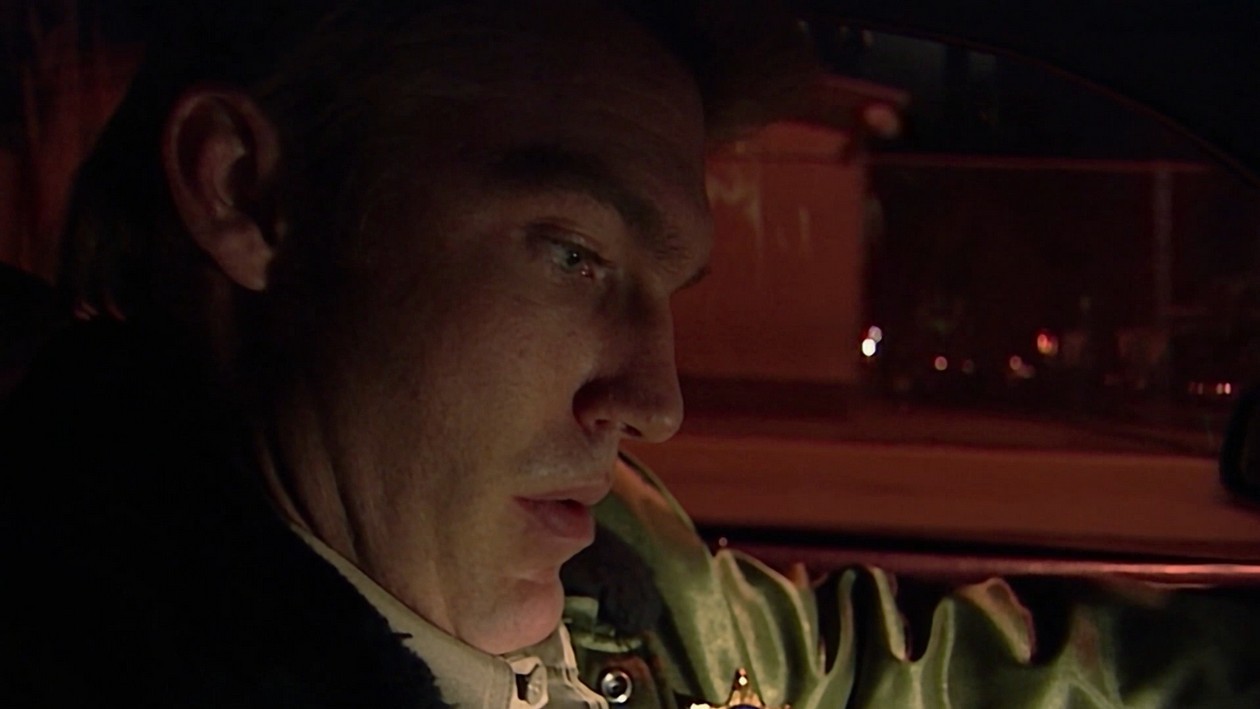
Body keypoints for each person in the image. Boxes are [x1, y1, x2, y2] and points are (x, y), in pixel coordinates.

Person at [3, 1, 1260, 707]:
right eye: (572, 251)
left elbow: (868, 666)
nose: (656, 401)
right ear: (246, 192)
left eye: (668, 289)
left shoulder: (611, 564)